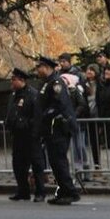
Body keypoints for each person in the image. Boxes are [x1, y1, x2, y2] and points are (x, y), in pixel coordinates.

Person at [35, 58, 81, 204]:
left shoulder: (56, 82)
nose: (37, 70)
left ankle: (70, 192)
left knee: (59, 161)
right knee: (55, 162)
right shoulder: (46, 83)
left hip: (59, 126)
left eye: (39, 67)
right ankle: (62, 191)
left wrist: (44, 115)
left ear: (47, 67)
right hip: (51, 128)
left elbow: (58, 104)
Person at [3, 68, 45, 201]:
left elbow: (37, 115)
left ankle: (40, 192)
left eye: (14, 79)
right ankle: (23, 191)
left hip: (30, 135)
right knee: (19, 165)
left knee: (36, 164)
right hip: (17, 135)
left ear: (21, 80)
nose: (12, 82)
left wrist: (28, 125)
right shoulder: (14, 95)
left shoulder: (33, 95)